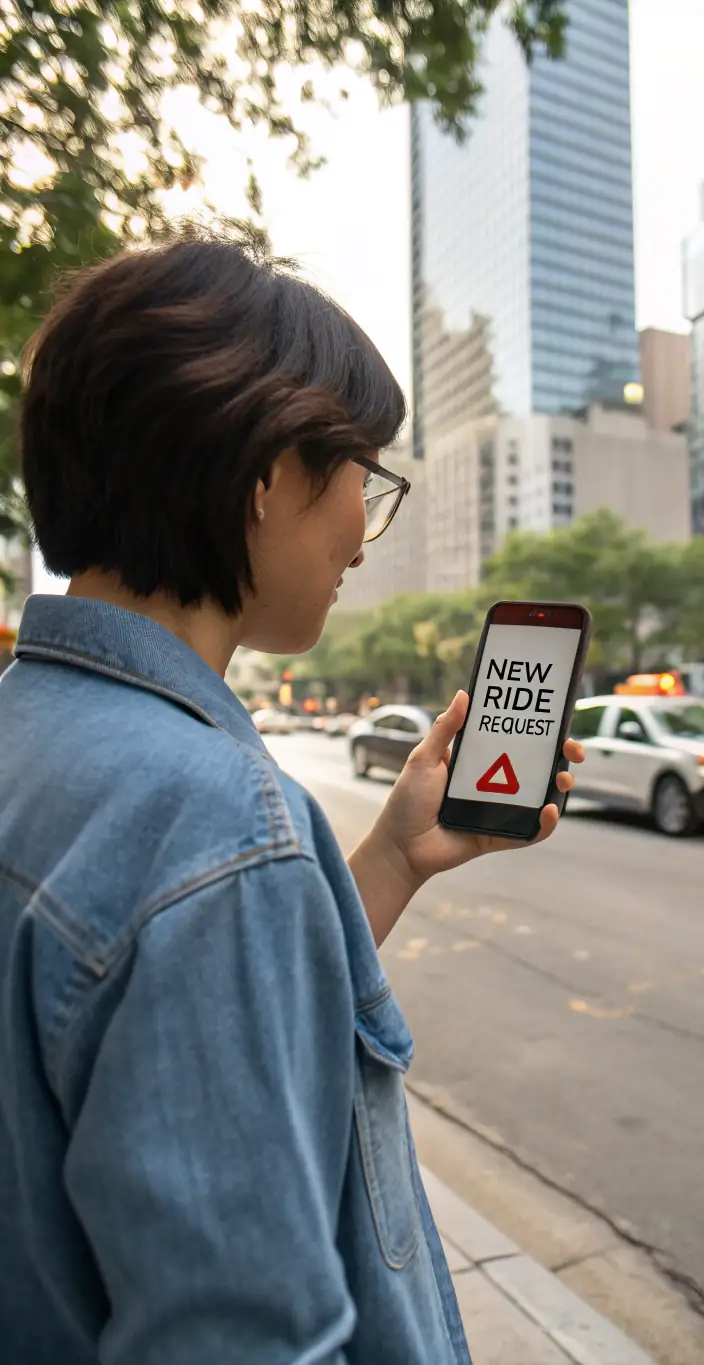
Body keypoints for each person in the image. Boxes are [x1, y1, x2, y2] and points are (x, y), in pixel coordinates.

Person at [0, 231, 584, 1365]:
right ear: (268, 473)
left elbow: (145, 1013)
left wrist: (392, 861)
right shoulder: (207, 818)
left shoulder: (31, 734)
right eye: (364, 471)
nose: (365, 531)